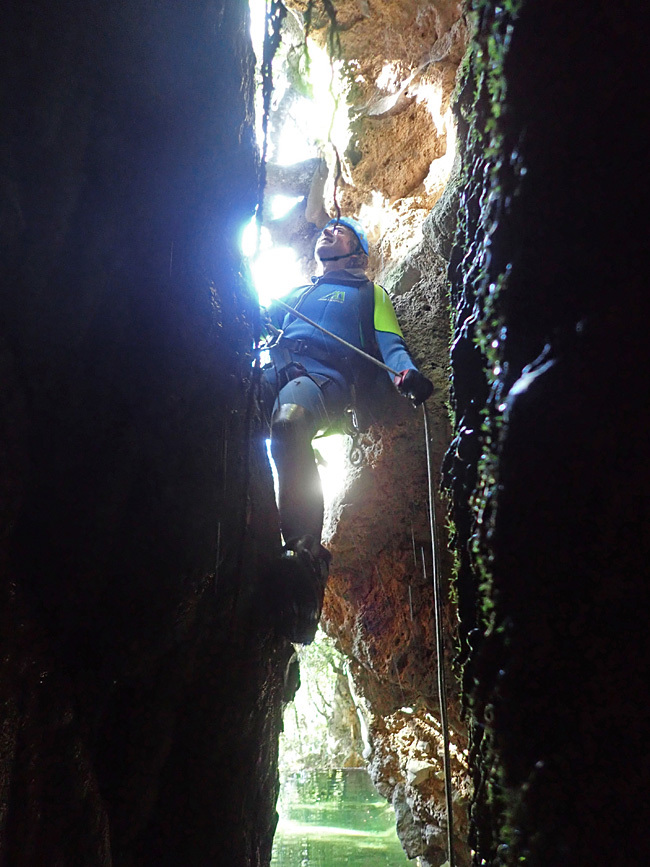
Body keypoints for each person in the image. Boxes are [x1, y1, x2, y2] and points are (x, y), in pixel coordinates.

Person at [261, 216, 433, 643]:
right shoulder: (297, 294)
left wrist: (405, 373)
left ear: (358, 252)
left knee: (289, 425)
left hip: (325, 378)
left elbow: (389, 341)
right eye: (326, 229)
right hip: (276, 367)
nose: (327, 231)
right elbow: (257, 322)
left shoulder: (369, 293)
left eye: (340, 231)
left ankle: (305, 554)